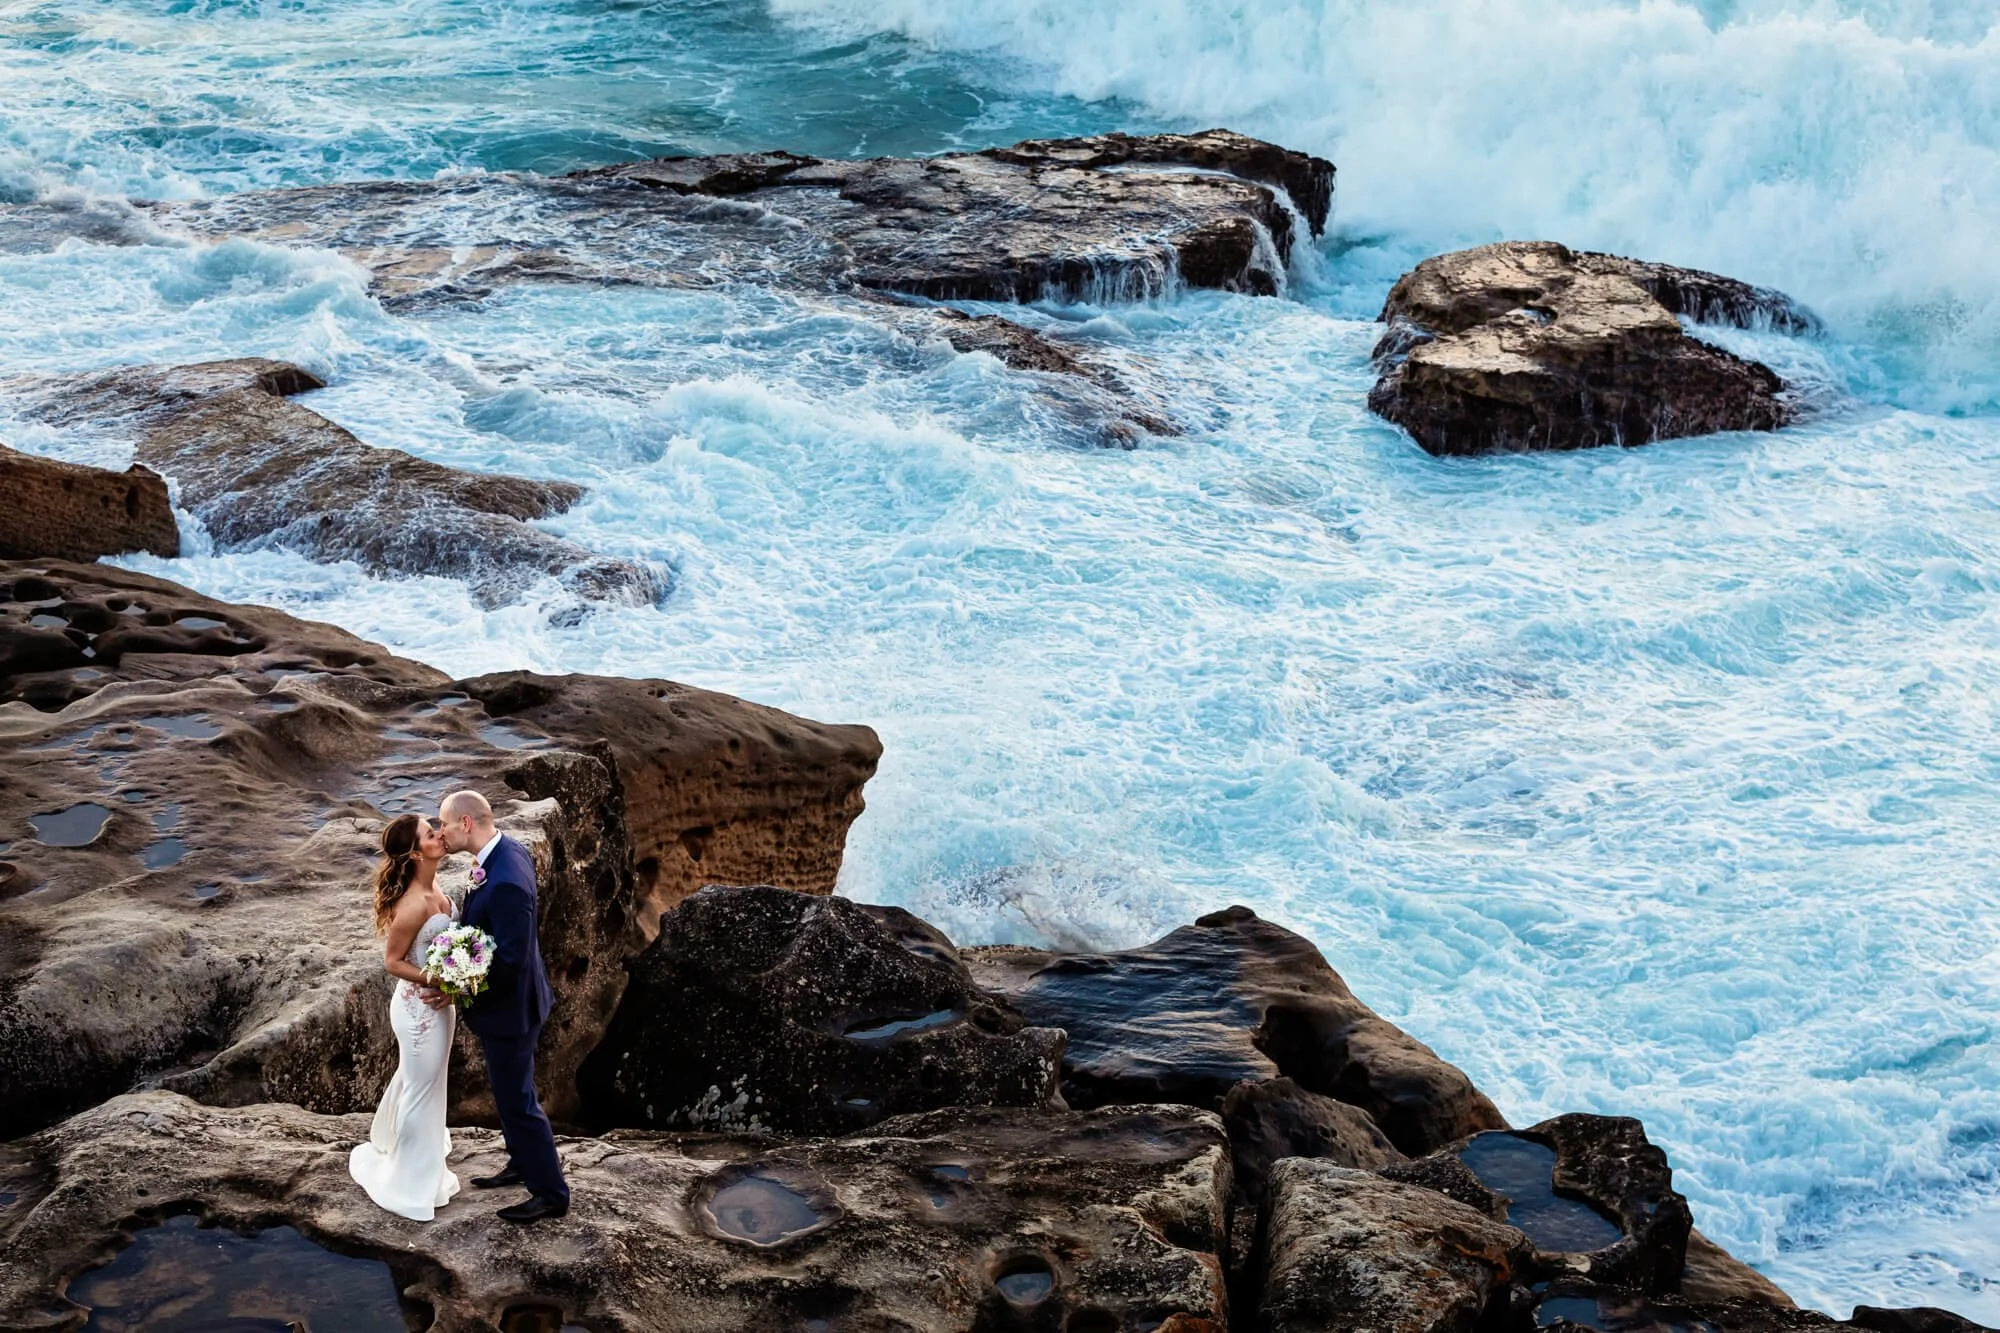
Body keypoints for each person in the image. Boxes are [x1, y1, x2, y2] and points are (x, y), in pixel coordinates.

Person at [427, 789, 571, 1223]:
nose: (441, 832)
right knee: (509, 1093)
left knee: (518, 1101)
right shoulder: (504, 853)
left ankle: (550, 1193)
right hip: (514, 1002)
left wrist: (457, 985)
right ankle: (520, 1163)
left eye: (445, 824)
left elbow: (510, 957)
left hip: (512, 1009)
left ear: (466, 824)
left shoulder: (505, 877)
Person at [348, 813, 462, 1220]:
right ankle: (408, 1183)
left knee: (431, 1084)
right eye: (431, 835)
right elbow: (393, 962)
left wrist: (456, 979)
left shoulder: (439, 891)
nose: (441, 835)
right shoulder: (413, 905)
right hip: (416, 1010)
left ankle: (427, 1170)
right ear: (416, 852)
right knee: (419, 1088)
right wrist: (436, 978)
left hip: (440, 1006)